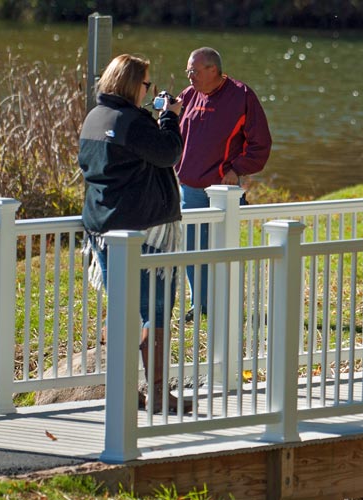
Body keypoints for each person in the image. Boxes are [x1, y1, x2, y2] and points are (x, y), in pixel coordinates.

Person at [78, 54, 191, 414]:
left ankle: (124, 393)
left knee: (122, 311)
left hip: (104, 230)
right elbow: (169, 152)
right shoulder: (131, 121)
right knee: (154, 313)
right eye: (147, 85)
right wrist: (170, 116)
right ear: (132, 85)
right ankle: (158, 395)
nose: (149, 91)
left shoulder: (94, 118)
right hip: (146, 233)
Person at [174, 47, 273, 318]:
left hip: (222, 190)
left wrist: (237, 169)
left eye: (193, 70)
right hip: (189, 188)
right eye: (188, 71)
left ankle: (224, 301)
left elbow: (260, 145)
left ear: (212, 70)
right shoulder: (188, 95)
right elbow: (171, 135)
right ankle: (201, 305)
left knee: (222, 248)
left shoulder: (241, 96)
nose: (189, 76)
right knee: (192, 248)